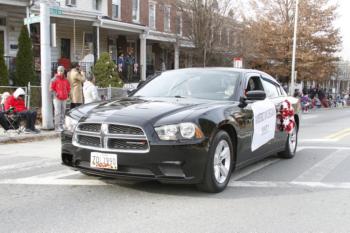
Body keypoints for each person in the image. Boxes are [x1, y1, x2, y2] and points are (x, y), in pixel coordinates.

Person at [51, 66, 71, 132]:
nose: (60, 72)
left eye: (62, 70)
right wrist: (56, 94)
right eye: (59, 70)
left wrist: (67, 94)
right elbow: (51, 89)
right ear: (57, 71)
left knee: (63, 112)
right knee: (57, 112)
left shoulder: (66, 80)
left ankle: (62, 125)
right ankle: (57, 127)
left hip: (64, 98)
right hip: (57, 98)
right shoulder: (54, 79)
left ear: (63, 71)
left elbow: (68, 88)